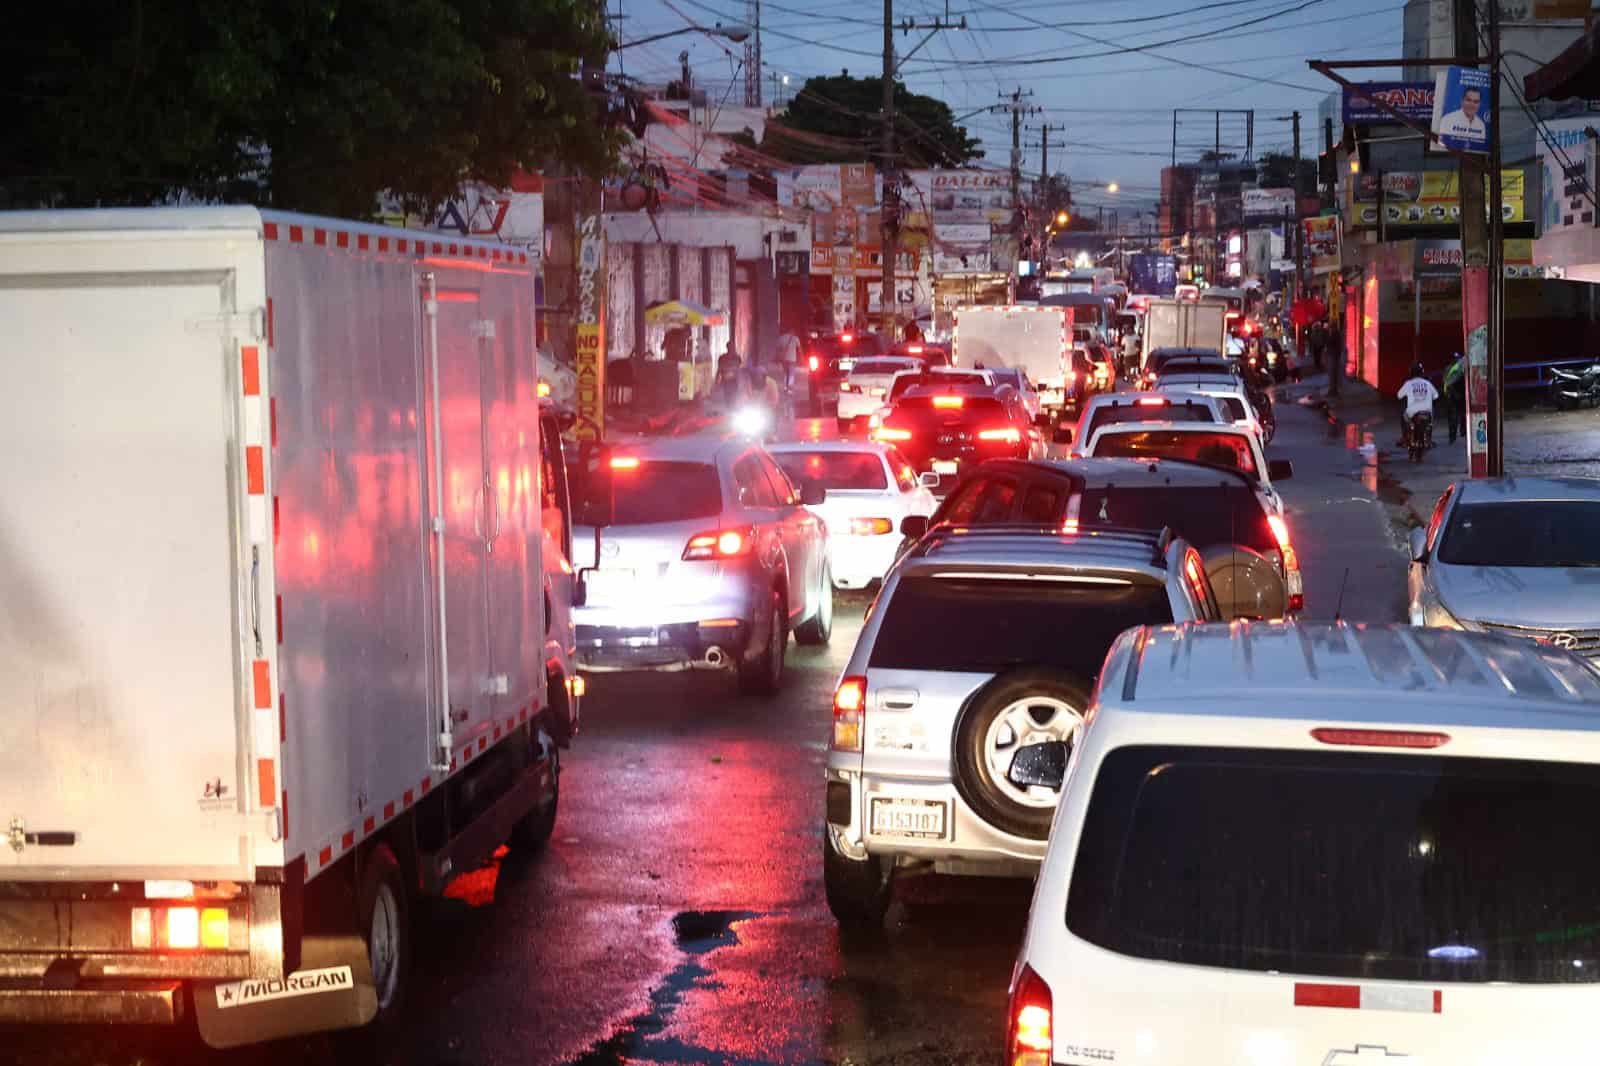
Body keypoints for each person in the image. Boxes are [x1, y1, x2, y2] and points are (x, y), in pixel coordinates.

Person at [1397, 361, 1439, 446]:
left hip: (1412, 412)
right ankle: (1429, 439)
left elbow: (1399, 395)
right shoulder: (1428, 383)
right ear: (1422, 372)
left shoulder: (1408, 383)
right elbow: (1436, 396)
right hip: (1427, 411)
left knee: (1403, 416)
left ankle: (1405, 438)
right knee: (1430, 421)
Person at [1442, 351, 1465, 444]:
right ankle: (1460, 433)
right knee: (1459, 415)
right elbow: (1448, 382)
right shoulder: (1460, 368)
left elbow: (1445, 382)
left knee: (1454, 416)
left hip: (1453, 395)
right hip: (1455, 394)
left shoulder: (1449, 368)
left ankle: (1453, 436)